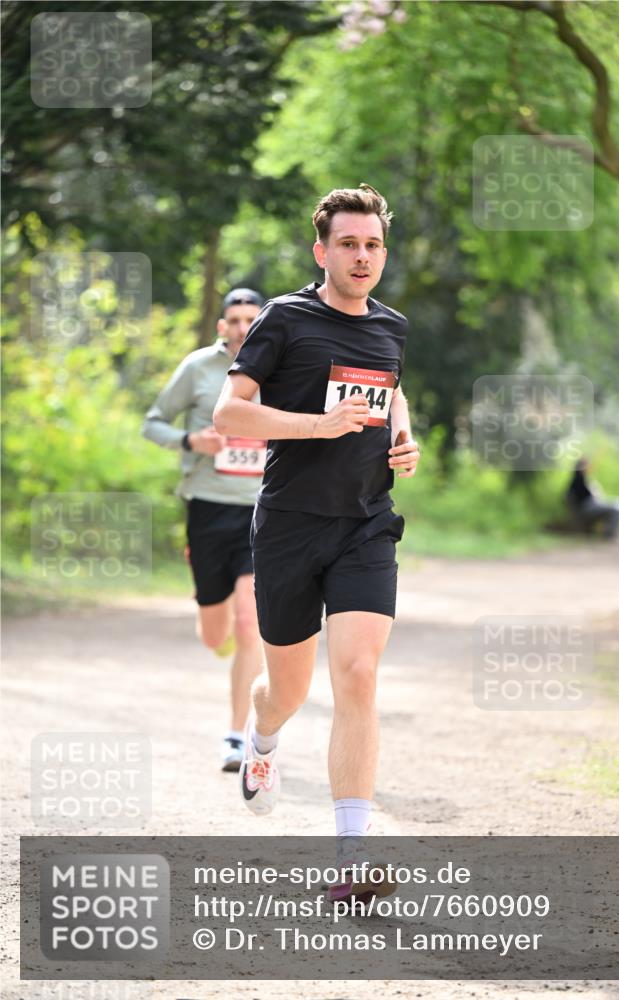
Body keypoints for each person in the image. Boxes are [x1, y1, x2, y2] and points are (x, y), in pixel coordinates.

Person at [213, 185, 420, 897]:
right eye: (347, 244)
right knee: (288, 692)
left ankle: (351, 859)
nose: (361, 256)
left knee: (358, 674)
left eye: (371, 245)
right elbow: (229, 413)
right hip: (291, 527)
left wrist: (403, 435)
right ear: (321, 250)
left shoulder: (391, 326)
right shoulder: (286, 319)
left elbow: (390, 389)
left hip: (366, 523)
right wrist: (313, 428)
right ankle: (261, 738)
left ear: (382, 252)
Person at [142, 288, 266, 772]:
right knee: (216, 633)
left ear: (263, 322)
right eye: (233, 320)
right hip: (208, 511)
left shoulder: (284, 365)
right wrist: (190, 440)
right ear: (221, 327)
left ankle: (238, 735)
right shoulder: (197, 368)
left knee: (250, 621)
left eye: (251, 319)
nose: (241, 327)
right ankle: (222, 637)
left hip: (262, 510)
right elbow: (152, 423)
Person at [565, 457, 619, 538]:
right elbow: (590, 497)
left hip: (592, 506)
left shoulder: (584, 480)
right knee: (618, 509)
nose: (589, 468)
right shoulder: (578, 480)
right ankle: (610, 533)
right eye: (587, 466)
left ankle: (609, 531)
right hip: (588, 508)